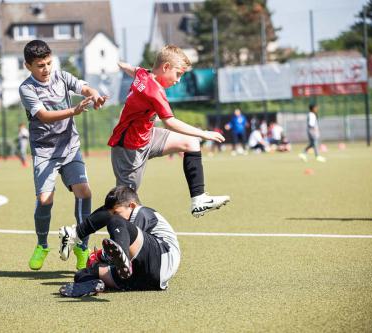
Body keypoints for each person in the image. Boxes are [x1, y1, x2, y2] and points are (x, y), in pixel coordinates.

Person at [110, 45, 229, 218]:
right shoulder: (155, 91)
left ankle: (199, 199)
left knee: (190, 142)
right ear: (165, 67)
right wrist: (204, 133)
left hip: (146, 137)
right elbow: (170, 122)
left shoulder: (145, 74)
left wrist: (122, 65)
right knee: (124, 202)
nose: (178, 80)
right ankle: (80, 231)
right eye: (178, 74)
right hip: (129, 147)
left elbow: (134, 70)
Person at [18, 40, 108, 271]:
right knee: (45, 200)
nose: (46, 68)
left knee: (84, 191)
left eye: (48, 62)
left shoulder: (62, 76)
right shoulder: (27, 89)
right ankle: (42, 245)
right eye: (40, 65)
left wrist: (95, 95)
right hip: (45, 152)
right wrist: (74, 111)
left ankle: (82, 245)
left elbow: (84, 88)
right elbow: (45, 116)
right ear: (28, 66)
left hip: (70, 148)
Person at [58, 185, 180, 296]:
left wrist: (102, 256)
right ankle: (98, 284)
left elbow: (130, 244)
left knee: (115, 220)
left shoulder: (142, 212)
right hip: (146, 279)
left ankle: (77, 235)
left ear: (132, 206)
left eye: (117, 212)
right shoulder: (128, 217)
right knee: (82, 275)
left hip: (160, 258)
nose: (114, 215)